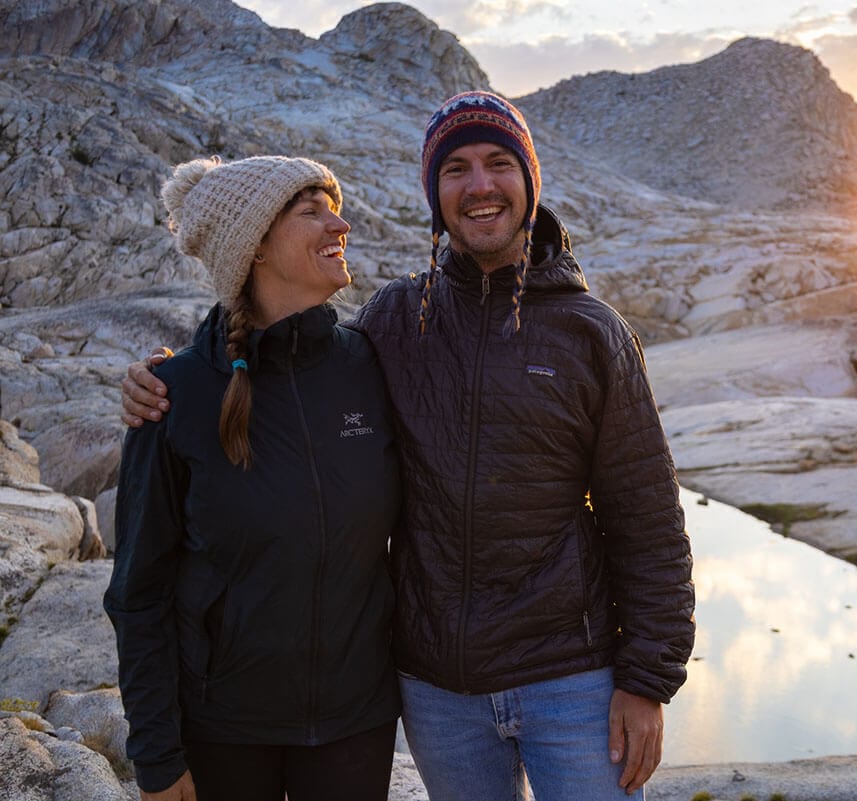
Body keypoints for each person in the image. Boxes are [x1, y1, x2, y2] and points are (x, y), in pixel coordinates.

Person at [122, 92, 695, 801]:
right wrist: (173, 373)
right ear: (435, 196)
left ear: (529, 180)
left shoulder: (591, 333)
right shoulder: (392, 324)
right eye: (455, 169)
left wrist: (648, 677)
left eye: (498, 163)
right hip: (438, 694)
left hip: (569, 679)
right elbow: (277, 351)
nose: (479, 185)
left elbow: (647, 516)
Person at [106, 156, 402, 801]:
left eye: (334, 207)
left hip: (358, 721)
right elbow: (139, 590)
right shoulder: (174, 393)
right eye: (312, 211)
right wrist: (156, 754)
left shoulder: (369, 364)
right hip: (224, 730)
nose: (341, 224)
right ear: (255, 247)